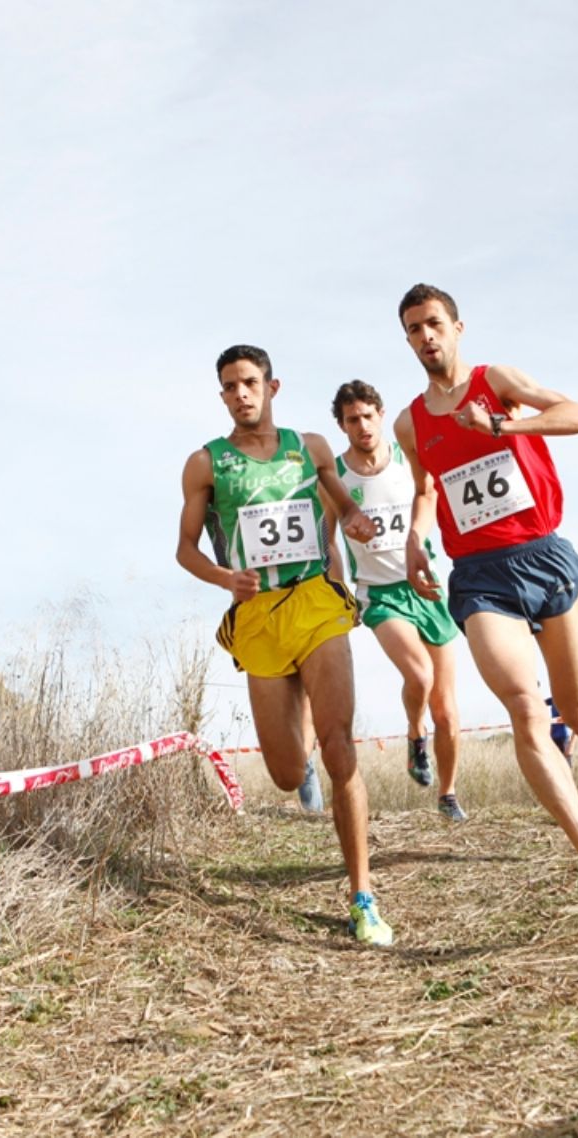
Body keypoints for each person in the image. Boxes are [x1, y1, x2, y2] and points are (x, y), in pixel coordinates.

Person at [393, 284, 578, 905]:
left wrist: (500, 422)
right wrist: (417, 540)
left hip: (545, 555)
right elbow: (425, 489)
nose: (426, 337)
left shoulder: (497, 380)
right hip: (479, 575)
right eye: (414, 329)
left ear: (458, 327)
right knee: (526, 706)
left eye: (434, 324)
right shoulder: (409, 422)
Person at [176, 344, 392, 944]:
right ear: (222, 396)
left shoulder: (311, 446)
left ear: (272, 386)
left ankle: (363, 896)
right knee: (285, 769)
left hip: (314, 601)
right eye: (228, 386)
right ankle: (299, 743)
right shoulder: (206, 464)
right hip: (259, 619)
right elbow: (185, 548)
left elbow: (340, 499)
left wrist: (351, 518)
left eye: (249, 382)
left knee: (338, 742)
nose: (240, 393)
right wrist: (226, 578)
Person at [325, 379, 466, 822]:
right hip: (378, 594)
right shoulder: (335, 475)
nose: (362, 426)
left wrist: (416, 541)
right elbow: (327, 539)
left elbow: (431, 498)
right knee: (418, 675)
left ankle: (447, 794)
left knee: (447, 710)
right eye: (352, 420)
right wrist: (339, 589)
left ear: (381, 415)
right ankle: (413, 732)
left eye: (368, 416)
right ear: (342, 425)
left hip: (425, 585)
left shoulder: (408, 459)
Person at [545, 697, 574, 765]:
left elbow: (570, 718)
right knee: (554, 765)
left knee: (566, 765)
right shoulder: (552, 699)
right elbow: (540, 703)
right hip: (552, 737)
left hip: (563, 737)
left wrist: (551, 720)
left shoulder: (568, 700)